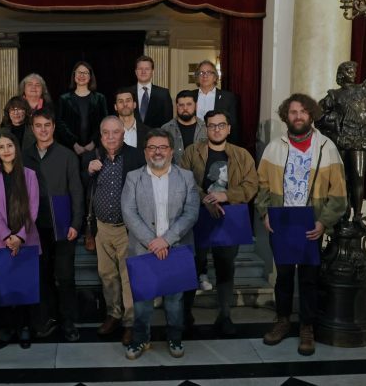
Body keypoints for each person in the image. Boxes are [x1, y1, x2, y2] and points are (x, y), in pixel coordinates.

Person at [255, 94, 347, 356]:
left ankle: (307, 326)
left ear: (311, 115)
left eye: (303, 111)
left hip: (311, 223)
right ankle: (282, 320)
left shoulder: (326, 147)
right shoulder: (275, 147)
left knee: (308, 278)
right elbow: (261, 184)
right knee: (283, 277)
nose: (298, 116)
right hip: (281, 221)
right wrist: (265, 214)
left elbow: (339, 194)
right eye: (293, 111)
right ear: (286, 116)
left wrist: (323, 222)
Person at [121, 129, 199, 360]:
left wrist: (166, 240)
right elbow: (129, 212)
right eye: (152, 147)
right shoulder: (134, 177)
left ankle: (174, 337)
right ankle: (140, 339)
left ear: (171, 151)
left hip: (176, 249)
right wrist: (152, 242)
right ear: (145, 152)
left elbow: (191, 213)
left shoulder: (186, 177)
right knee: (143, 302)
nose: (157, 152)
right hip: (143, 250)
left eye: (162, 147)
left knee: (175, 302)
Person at [180, 110, 258, 335]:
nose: (216, 129)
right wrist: (204, 197)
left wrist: (228, 195)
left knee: (225, 269)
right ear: (206, 128)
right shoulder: (192, 152)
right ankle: (185, 315)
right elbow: (183, 180)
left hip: (229, 218)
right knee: (192, 267)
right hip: (197, 217)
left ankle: (224, 316)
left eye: (221, 125)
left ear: (229, 128)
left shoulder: (242, 155)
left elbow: (251, 185)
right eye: (212, 125)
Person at [82, 116, 146, 346]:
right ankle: (114, 314)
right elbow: (80, 187)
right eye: (106, 133)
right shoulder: (92, 157)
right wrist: (87, 171)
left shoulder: (136, 156)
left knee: (129, 278)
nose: (110, 137)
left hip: (127, 229)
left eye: (115, 132)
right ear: (101, 135)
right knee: (107, 275)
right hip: (101, 227)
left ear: (123, 134)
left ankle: (129, 323)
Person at [23, 109, 84, 342]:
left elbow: (77, 192)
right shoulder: (24, 155)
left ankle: (68, 322)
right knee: (42, 276)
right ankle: (46, 319)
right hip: (35, 227)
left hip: (63, 225)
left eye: (47, 125)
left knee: (65, 277)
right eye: (38, 125)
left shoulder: (67, 155)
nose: (43, 129)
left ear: (54, 127)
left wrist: (76, 223)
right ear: (33, 128)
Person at [318, 42, 366, 228]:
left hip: (359, 141)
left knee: (358, 176)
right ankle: (343, 212)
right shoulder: (334, 95)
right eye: (349, 70)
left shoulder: (365, 89)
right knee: (341, 179)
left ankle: (358, 214)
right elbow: (318, 115)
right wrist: (333, 120)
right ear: (341, 75)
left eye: (353, 70)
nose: (353, 72)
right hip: (342, 141)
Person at [0, 130, 41, 349]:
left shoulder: (30, 175)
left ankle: (24, 328)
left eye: (10, 146)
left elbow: (33, 209)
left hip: (26, 239)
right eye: (1, 147)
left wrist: (19, 237)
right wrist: (7, 236)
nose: (6, 150)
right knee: (2, 288)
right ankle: (4, 329)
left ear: (16, 148)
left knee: (24, 286)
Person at [56, 61, 108, 156]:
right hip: (69, 149)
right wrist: (74, 144)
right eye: (79, 72)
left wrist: (93, 143)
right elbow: (60, 124)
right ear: (74, 75)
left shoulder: (100, 98)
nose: (82, 75)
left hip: (94, 149)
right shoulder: (64, 99)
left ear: (90, 76)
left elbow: (104, 123)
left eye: (85, 73)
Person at [193, 60, 240, 145]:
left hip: (220, 145)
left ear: (215, 77)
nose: (205, 76)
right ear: (197, 77)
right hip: (194, 145)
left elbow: (233, 126)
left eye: (209, 72)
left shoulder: (228, 97)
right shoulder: (190, 96)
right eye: (201, 73)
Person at [161, 90, 207, 165]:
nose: (185, 108)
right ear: (176, 107)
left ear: (196, 106)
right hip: (174, 174)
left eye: (189, 104)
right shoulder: (166, 129)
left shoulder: (206, 128)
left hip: (200, 175)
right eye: (181, 105)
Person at [132, 55, 172, 128]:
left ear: (152, 72)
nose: (143, 72)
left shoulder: (163, 94)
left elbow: (168, 123)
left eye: (147, 69)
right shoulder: (127, 93)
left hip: (156, 137)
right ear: (136, 72)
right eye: (140, 68)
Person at [114, 87, 152, 151]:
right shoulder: (107, 133)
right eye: (120, 101)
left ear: (134, 104)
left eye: (128, 100)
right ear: (115, 107)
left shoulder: (149, 132)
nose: (125, 104)